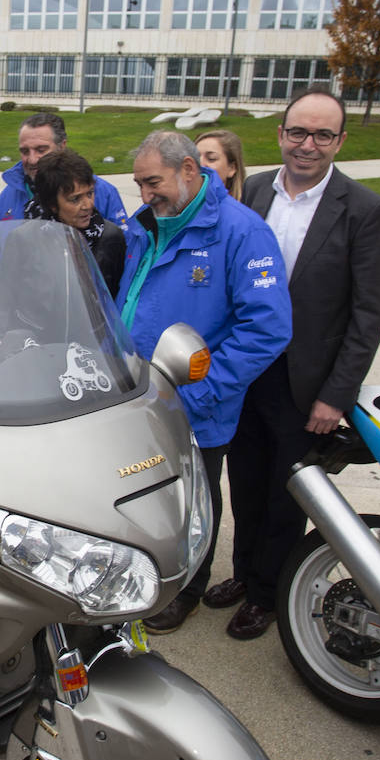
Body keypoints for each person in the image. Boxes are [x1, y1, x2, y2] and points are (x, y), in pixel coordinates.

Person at [208, 88, 380, 641]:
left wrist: (336, 395)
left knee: (287, 495)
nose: (306, 145)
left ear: (340, 140)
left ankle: (270, 593)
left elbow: (368, 313)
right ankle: (244, 574)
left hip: (304, 382)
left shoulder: (365, 210)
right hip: (245, 370)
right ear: (281, 133)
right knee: (244, 482)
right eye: (297, 132)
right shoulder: (253, 191)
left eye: (321, 135)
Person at [117, 131, 292, 635]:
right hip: (139, 396)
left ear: (189, 170)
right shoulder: (149, 223)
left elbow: (268, 328)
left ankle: (187, 590)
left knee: (194, 500)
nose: (146, 194)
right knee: (149, 495)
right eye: (140, 184)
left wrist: (202, 391)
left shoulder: (241, 233)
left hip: (195, 403)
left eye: (154, 182)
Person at [0, 111, 129, 229]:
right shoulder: (8, 195)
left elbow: (122, 247)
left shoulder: (104, 192)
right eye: (25, 151)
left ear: (62, 146)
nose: (32, 159)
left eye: (41, 150)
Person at [24, 148, 127, 297]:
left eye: (90, 193)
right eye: (75, 199)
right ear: (51, 203)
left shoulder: (112, 237)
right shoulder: (25, 239)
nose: (87, 205)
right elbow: (7, 305)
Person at [194, 129, 247, 200]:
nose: (200, 164)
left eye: (211, 158)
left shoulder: (243, 209)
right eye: (195, 158)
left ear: (232, 168)